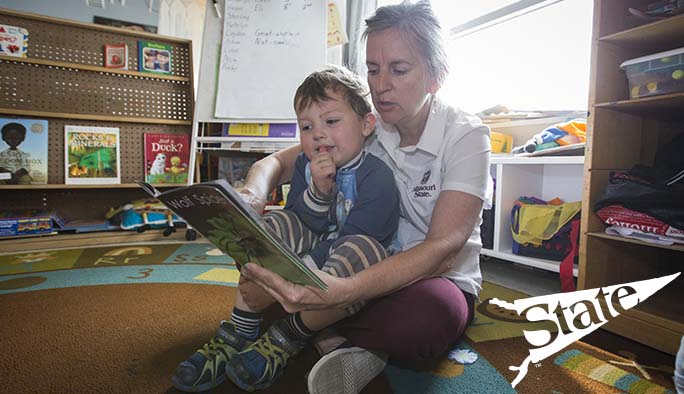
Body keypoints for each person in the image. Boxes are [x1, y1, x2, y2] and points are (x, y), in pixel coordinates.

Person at [237, 2, 492, 393]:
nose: (380, 84)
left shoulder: (466, 136)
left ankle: (315, 328)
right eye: (373, 69)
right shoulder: (368, 121)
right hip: (360, 258)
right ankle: (336, 332)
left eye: (399, 69)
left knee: (429, 318)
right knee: (276, 264)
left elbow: (443, 248)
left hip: (434, 278)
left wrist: (343, 292)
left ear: (436, 76)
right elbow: (281, 162)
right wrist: (254, 191)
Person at [171, 65, 400, 392]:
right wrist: (318, 193)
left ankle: (288, 335)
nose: (318, 133)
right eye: (307, 126)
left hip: (350, 266)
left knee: (361, 249)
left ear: (366, 124)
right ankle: (241, 326)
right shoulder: (306, 164)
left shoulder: (377, 177)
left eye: (331, 121)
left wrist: (299, 269)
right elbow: (302, 218)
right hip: (317, 244)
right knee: (276, 221)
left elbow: (353, 238)